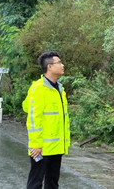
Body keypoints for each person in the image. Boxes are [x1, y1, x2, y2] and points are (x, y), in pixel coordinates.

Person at [23, 51, 70, 189]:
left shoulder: (59, 88)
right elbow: (33, 118)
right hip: (41, 148)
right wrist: (36, 144)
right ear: (49, 67)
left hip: (56, 146)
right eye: (59, 62)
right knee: (35, 183)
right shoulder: (38, 89)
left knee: (52, 183)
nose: (62, 65)